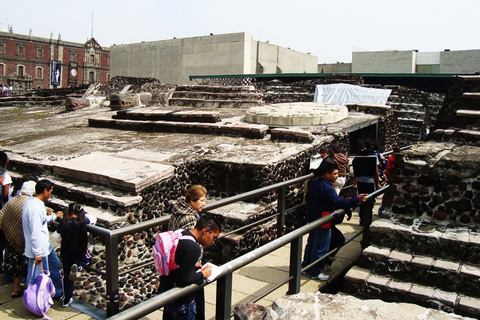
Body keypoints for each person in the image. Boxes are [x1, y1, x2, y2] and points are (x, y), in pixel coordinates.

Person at [302, 163, 366, 281]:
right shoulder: (326, 187)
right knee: (320, 246)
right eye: (335, 174)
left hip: (313, 217)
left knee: (311, 244)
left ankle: (306, 267)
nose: (337, 176)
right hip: (323, 218)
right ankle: (315, 272)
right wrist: (356, 199)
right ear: (327, 174)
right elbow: (337, 202)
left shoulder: (315, 182)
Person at [159, 216, 221, 320]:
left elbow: (176, 260)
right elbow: (182, 280)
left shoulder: (179, 232)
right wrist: (202, 274)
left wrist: (189, 266)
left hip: (168, 295)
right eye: (214, 237)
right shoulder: (193, 249)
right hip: (183, 304)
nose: (213, 242)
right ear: (206, 231)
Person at [168, 185, 207, 320]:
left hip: (173, 263)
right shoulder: (190, 219)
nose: (204, 203)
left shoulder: (177, 211)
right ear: (192, 201)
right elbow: (189, 245)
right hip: (188, 266)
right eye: (201, 200)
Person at [22, 179, 64, 299]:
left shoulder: (34, 202)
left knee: (55, 265)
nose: (50, 194)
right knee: (36, 275)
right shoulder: (34, 208)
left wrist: (53, 217)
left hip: (45, 245)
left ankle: (57, 291)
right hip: (39, 248)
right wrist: (37, 253)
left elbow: (41, 220)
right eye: (50, 192)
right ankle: (34, 299)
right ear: (45, 191)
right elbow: (35, 232)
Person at [0, 180, 36, 298]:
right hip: (20, 240)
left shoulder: (13, 201)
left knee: (11, 262)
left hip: (10, 237)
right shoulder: (28, 203)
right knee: (19, 265)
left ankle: (14, 283)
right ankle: (16, 289)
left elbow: (2, 216)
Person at [57, 202, 94, 307]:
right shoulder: (82, 222)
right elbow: (89, 220)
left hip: (66, 251)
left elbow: (59, 230)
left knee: (67, 275)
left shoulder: (65, 222)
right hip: (78, 250)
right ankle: (78, 266)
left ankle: (65, 299)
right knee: (88, 259)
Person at [352, 139, 380, 227]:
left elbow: (355, 170)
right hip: (370, 181)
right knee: (371, 199)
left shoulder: (357, 156)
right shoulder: (374, 156)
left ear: (364, 146)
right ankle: (367, 219)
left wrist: (355, 180)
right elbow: (376, 171)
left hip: (360, 180)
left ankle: (362, 218)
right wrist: (378, 182)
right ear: (372, 146)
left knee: (361, 199)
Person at [377, 147, 400, 216]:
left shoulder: (391, 158)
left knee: (387, 196)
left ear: (393, 152)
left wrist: (387, 176)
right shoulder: (400, 160)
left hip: (391, 179)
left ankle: (381, 210)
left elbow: (388, 168)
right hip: (397, 179)